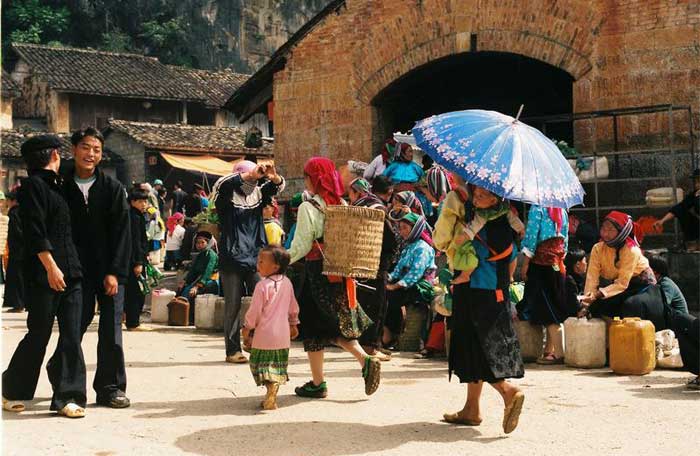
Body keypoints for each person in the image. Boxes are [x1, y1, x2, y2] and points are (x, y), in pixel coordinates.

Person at [2, 135, 87, 418]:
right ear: (53, 155)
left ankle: (68, 396)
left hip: (72, 270)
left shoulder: (61, 186)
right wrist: (51, 267)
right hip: (44, 272)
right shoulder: (32, 188)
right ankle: (13, 389)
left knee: (72, 335)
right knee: (39, 333)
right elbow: (36, 231)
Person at [287, 157, 381, 399]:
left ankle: (319, 382)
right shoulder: (341, 203)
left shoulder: (309, 207)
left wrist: (280, 260)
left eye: (307, 175)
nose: (306, 180)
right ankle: (364, 360)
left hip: (316, 273)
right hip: (339, 273)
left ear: (315, 179)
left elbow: (301, 245)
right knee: (335, 326)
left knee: (314, 328)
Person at [435, 185, 524, 434]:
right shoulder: (505, 220)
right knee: (476, 343)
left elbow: (446, 242)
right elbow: (513, 255)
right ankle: (471, 409)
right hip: (496, 289)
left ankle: (508, 392)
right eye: (477, 194)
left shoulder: (475, 219)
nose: (477, 197)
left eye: (483, 195)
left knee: (476, 343)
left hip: (475, 289)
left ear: (495, 198)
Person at [62, 127, 132, 408]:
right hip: (75, 271)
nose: (91, 154)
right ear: (73, 150)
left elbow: (122, 233)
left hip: (110, 271)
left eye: (97, 150)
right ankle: (66, 385)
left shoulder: (113, 189)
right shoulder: (62, 187)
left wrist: (115, 271)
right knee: (73, 327)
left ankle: (110, 387)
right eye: (85, 147)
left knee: (111, 330)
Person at [211, 161, 285, 364]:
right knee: (232, 306)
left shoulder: (259, 194)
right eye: (249, 177)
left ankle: (255, 341)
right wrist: (250, 174)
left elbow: (277, 187)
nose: (254, 181)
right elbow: (221, 184)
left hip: (256, 257)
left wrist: (272, 175)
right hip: (232, 256)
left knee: (266, 301)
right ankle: (232, 350)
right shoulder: (226, 194)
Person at [579, 211, 662, 327]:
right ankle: (611, 340)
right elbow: (592, 278)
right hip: (618, 286)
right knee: (595, 307)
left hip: (641, 285)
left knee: (627, 306)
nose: (605, 234)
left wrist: (597, 295)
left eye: (611, 230)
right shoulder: (597, 248)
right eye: (603, 229)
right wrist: (586, 300)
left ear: (622, 232)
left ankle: (620, 338)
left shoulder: (631, 250)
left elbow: (622, 284)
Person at [242, 246, 300, 410]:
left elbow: (255, 311)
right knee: (277, 365)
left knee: (261, 364)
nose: (257, 264)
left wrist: (247, 327)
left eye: (261, 261)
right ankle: (273, 392)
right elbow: (293, 306)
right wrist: (293, 323)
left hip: (264, 335)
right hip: (282, 335)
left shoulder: (262, 286)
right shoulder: (287, 283)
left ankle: (270, 389)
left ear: (275, 266)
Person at [349, 178, 399, 360]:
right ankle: (371, 346)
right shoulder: (378, 208)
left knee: (366, 303)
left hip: (360, 262)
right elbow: (390, 239)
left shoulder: (359, 208)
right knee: (376, 305)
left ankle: (368, 344)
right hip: (377, 262)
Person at [517, 205, 572, 364]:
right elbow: (565, 240)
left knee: (547, 308)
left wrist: (526, 263)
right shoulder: (562, 210)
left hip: (540, 265)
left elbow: (532, 237)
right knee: (553, 306)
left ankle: (559, 353)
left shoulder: (538, 209)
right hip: (557, 264)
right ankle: (549, 351)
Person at [384, 212, 436, 348]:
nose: (402, 232)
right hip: (406, 285)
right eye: (400, 228)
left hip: (419, 286)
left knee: (391, 297)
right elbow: (398, 270)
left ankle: (391, 335)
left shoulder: (423, 248)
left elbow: (415, 274)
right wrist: (386, 279)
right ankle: (388, 334)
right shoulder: (408, 246)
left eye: (405, 228)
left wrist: (394, 286)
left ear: (416, 228)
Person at [177, 231, 219, 323]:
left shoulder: (211, 255)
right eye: (197, 243)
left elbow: (208, 272)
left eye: (202, 243)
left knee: (193, 293)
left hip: (211, 280)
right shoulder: (200, 255)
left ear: (208, 243)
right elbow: (193, 271)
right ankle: (182, 317)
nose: (199, 245)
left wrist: (197, 286)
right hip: (200, 280)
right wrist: (184, 281)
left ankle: (191, 319)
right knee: (182, 289)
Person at [653, 168, 700, 251]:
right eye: (696, 182)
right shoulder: (695, 194)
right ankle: (692, 243)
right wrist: (662, 221)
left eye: (699, 182)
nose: (697, 185)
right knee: (682, 211)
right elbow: (680, 207)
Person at [124, 189, 151, 331]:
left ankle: (130, 319)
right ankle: (133, 323)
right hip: (134, 261)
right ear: (132, 202)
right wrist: (138, 262)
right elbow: (135, 242)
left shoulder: (137, 215)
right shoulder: (134, 217)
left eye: (145, 201)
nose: (144, 204)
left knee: (133, 291)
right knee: (136, 292)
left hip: (137, 259)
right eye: (140, 201)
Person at [3, 190, 25, 312]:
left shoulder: (14, 213)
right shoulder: (25, 211)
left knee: (17, 278)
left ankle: (18, 304)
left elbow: (17, 232)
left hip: (17, 250)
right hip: (24, 250)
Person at [562, 247, 587, 317]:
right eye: (585, 261)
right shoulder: (569, 280)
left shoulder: (576, 278)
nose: (586, 263)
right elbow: (572, 302)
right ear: (578, 264)